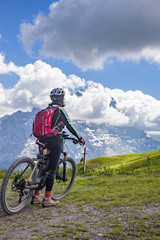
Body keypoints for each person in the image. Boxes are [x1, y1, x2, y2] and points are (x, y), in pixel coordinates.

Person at [32, 88, 85, 207]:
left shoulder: (46, 110)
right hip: (54, 140)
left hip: (41, 139)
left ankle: (35, 196)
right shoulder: (60, 110)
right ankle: (47, 199)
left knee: (43, 167)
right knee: (51, 169)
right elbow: (69, 125)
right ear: (62, 99)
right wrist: (80, 137)